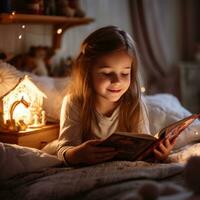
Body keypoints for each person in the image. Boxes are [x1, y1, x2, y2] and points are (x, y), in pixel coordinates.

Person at [57, 26, 176, 166]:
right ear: (87, 72)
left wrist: (159, 154)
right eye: (107, 73)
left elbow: (144, 147)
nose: (117, 81)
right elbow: (63, 151)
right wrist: (77, 154)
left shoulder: (134, 103)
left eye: (125, 74)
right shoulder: (74, 102)